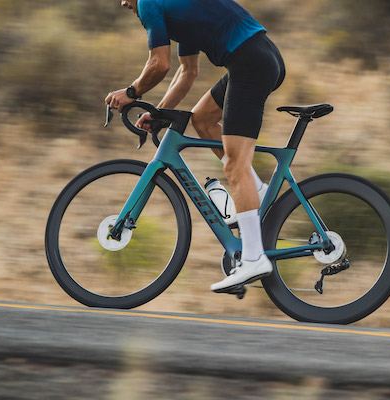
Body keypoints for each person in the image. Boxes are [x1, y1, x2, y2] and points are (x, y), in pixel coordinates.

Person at [105, 0, 285, 293]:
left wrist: (130, 93)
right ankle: (257, 191)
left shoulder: (150, 3)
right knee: (202, 120)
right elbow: (186, 72)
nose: (124, 3)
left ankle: (253, 257)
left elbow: (159, 64)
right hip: (261, 56)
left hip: (249, 62)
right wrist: (159, 113)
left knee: (234, 163)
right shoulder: (176, 9)